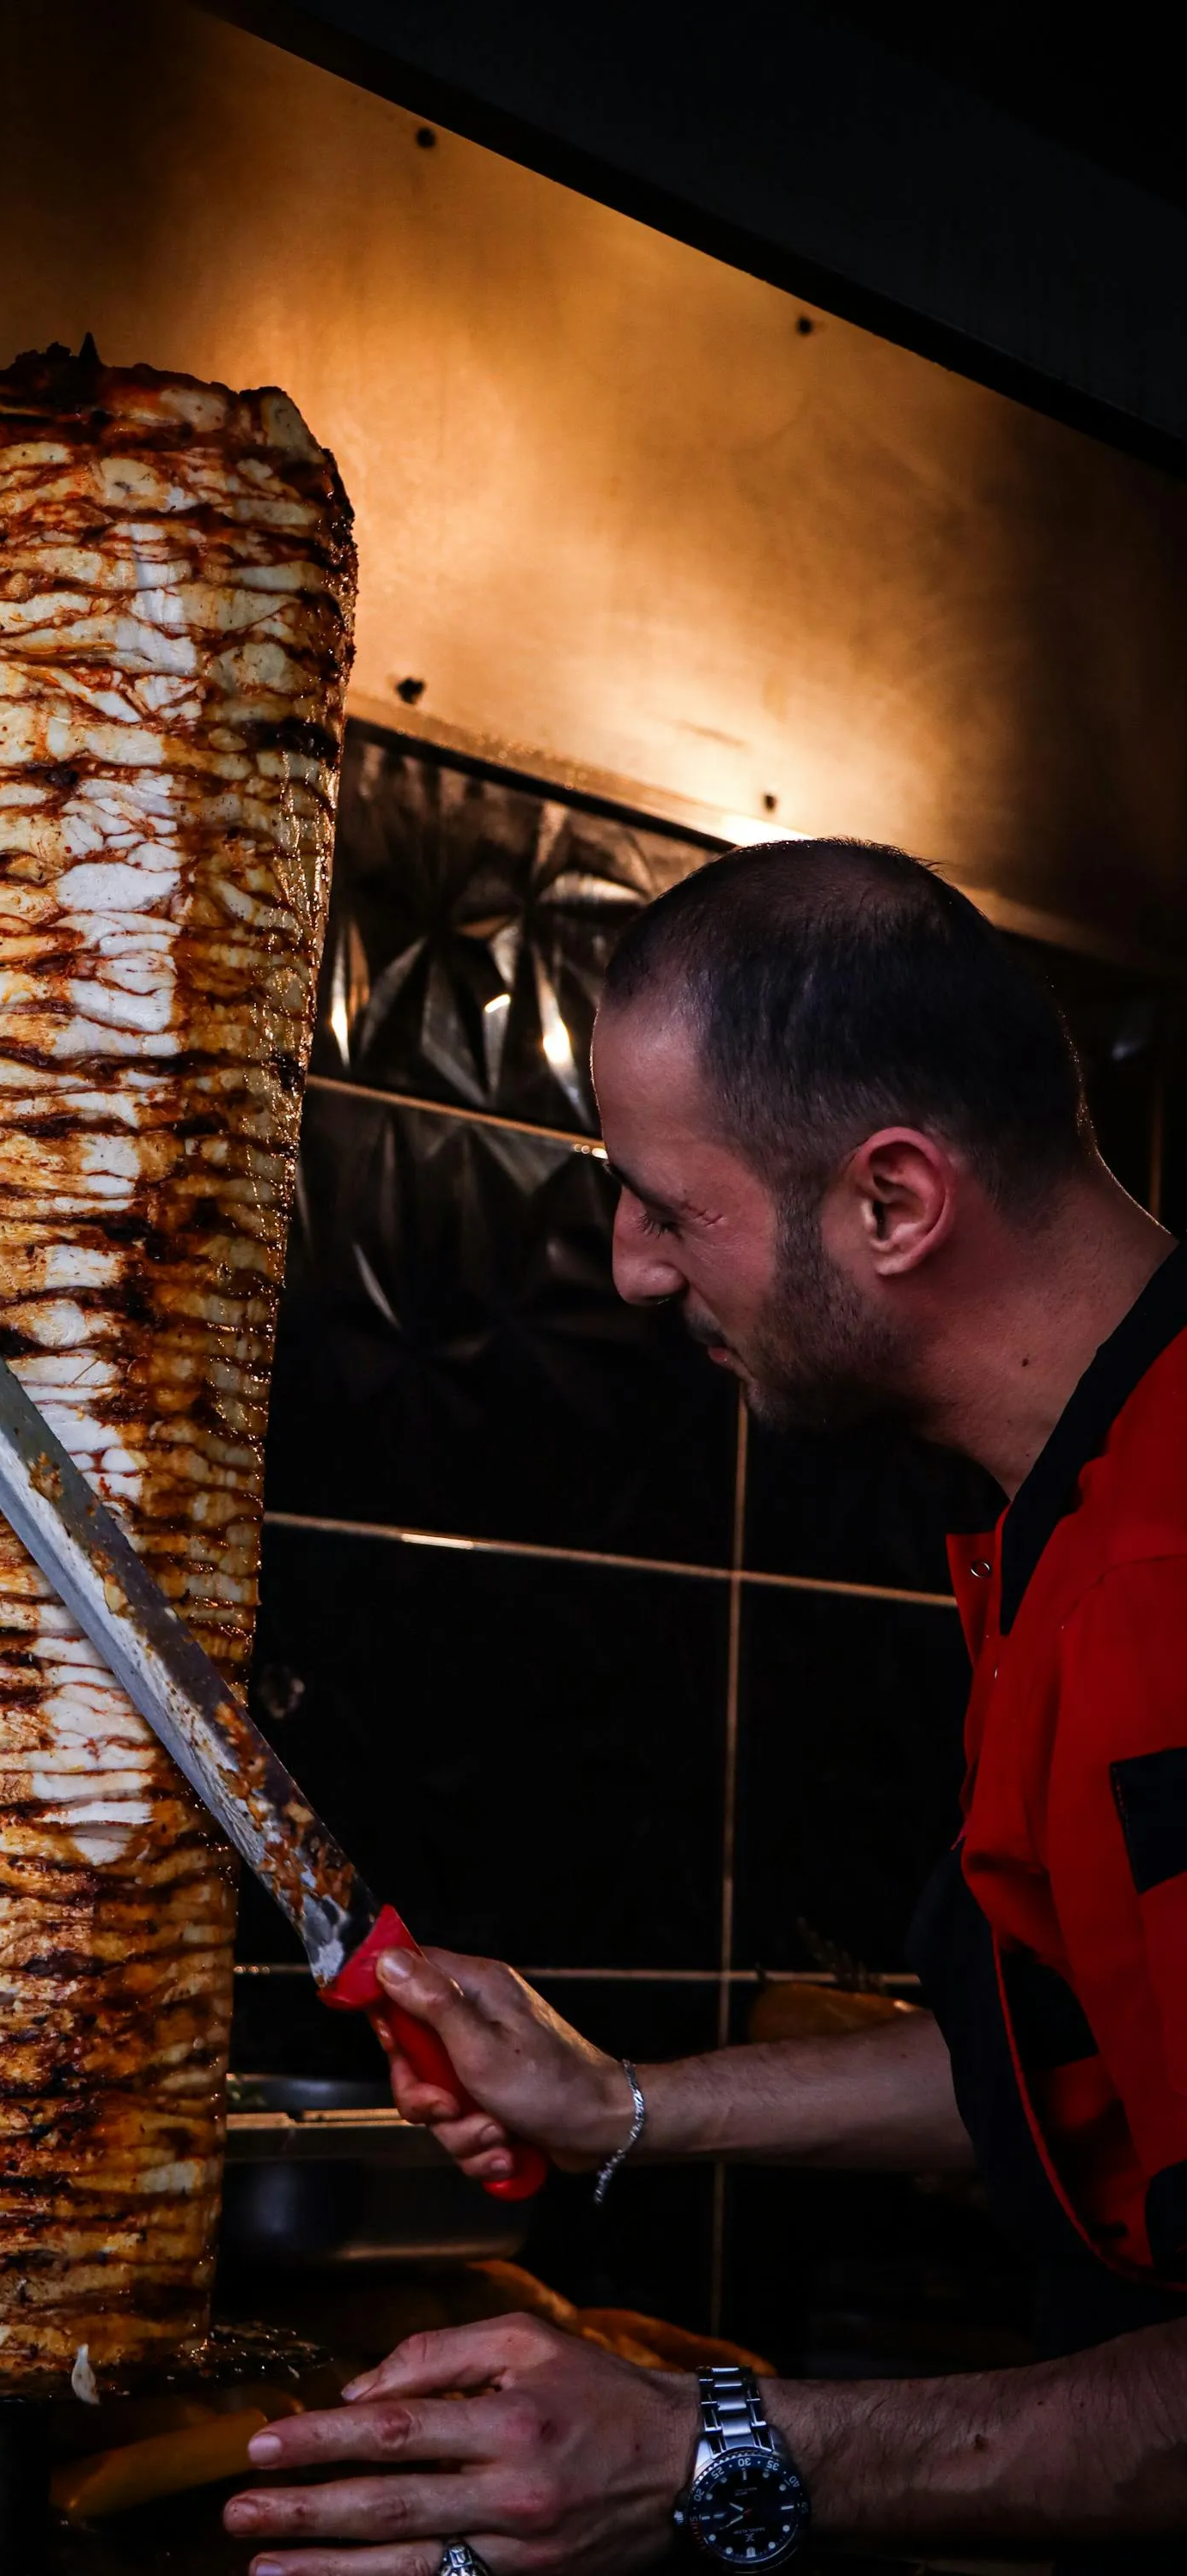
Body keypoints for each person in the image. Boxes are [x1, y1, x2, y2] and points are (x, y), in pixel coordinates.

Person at [224, 841, 1187, 2574]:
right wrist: (628, 2110)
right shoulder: (1070, 1492)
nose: (632, 1271)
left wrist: (702, 2449)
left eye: (670, 1205)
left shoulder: (1168, 1575)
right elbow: (1079, 2065)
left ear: (891, 1205)